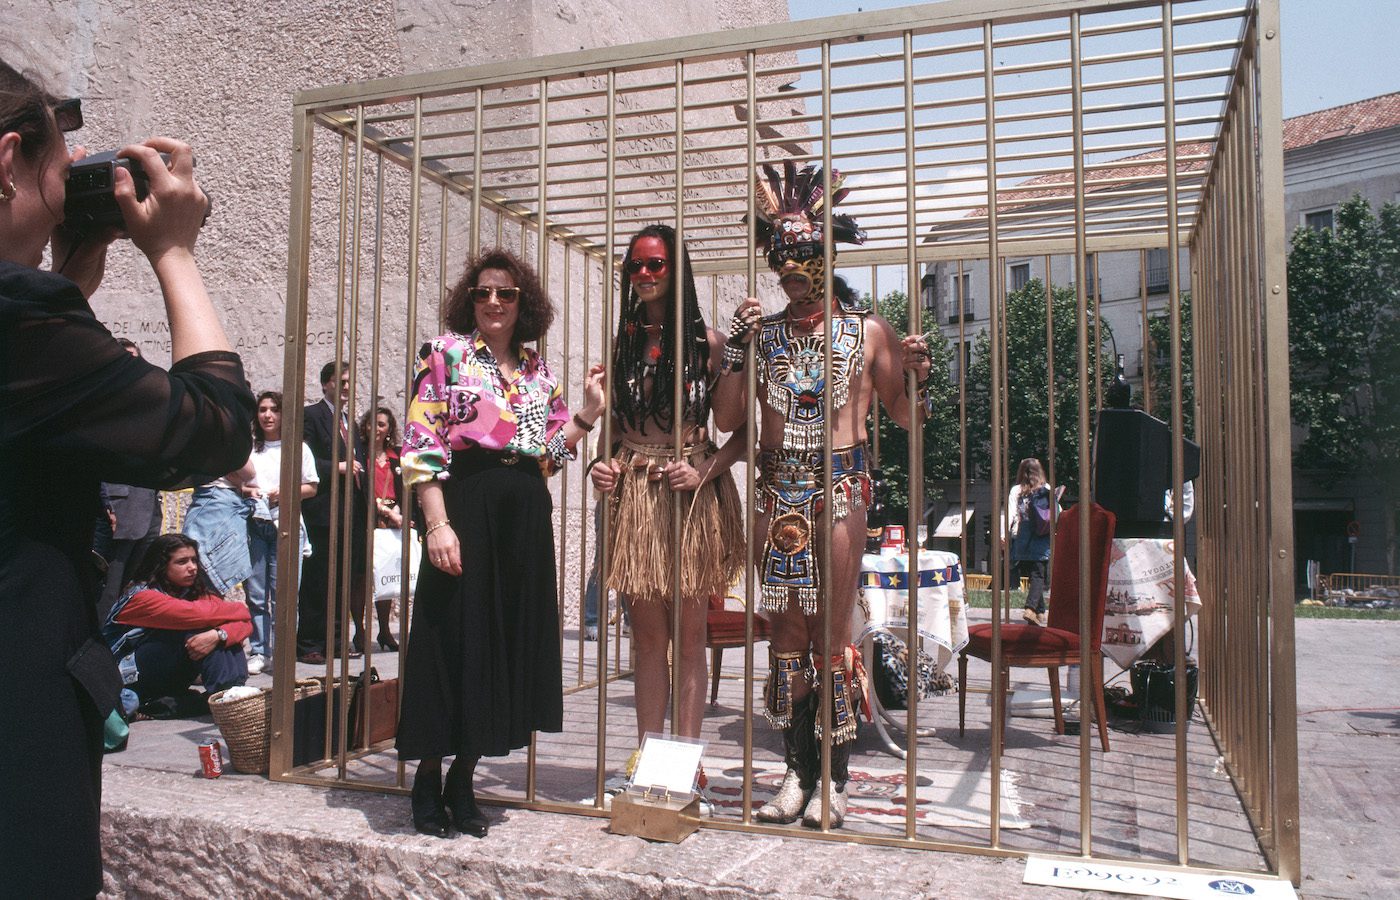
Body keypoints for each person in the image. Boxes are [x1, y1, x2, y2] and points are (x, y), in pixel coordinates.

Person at [0, 62, 254, 895]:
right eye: (58, 171)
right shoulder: (21, 319)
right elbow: (215, 429)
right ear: (9, 161)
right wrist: (173, 251)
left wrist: (63, 283)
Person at [713, 160, 932, 828]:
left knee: (833, 635)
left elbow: (906, 416)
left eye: (801, 252)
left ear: (827, 251)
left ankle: (832, 782)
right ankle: (794, 773)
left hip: (840, 487)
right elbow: (727, 419)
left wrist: (919, 376)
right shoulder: (766, 334)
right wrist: (736, 352)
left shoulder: (867, 330)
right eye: (778, 254)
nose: (788, 267)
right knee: (783, 632)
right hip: (776, 491)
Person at [396, 247, 605, 839]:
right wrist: (436, 523)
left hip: (524, 515)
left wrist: (586, 415)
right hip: (466, 505)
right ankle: (428, 778)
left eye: (505, 294)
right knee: (452, 636)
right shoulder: (445, 354)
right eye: (483, 292)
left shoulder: (539, 373)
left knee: (504, 640)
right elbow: (421, 443)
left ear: (524, 304)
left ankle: (465, 779)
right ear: (470, 299)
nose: (492, 302)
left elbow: (549, 456)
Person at [588, 224, 745, 775]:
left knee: (690, 633)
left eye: (656, 264)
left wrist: (706, 468)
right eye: (637, 266)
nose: (646, 274)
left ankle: (686, 759)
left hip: (691, 499)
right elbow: (611, 432)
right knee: (648, 635)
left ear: (677, 271)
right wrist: (598, 466)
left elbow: (736, 429)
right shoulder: (624, 343)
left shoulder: (713, 345)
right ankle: (651, 755)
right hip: (635, 496)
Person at [103, 535, 251, 718]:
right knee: (200, 627)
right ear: (162, 565)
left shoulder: (190, 592)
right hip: (126, 679)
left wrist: (219, 635)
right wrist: (236, 612)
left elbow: (245, 623)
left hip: (164, 674)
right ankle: (227, 699)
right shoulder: (142, 597)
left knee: (215, 632)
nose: (192, 567)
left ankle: (232, 693)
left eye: (194, 560)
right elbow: (203, 615)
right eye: (182, 562)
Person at [297, 361, 369, 664]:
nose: (347, 388)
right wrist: (336, 468)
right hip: (322, 512)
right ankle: (310, 643)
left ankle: (338, 640)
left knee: (343, 578)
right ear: (326, 383)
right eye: (342, 382)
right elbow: (301, 459)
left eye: (351, 382)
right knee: (317, 579)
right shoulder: (311, 415)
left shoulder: (347, 421)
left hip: (349, 513)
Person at [243, 390, 319, 674]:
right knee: (256, 593)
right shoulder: (249, 449)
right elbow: (237, 485)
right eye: (262, 409)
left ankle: (283, 652)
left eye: (274, 409)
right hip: (255, 524)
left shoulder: (297, 449)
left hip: (287, 524)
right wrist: (252, 491)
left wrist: (285, 492)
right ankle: (259, 650)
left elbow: (311, 487)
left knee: (285, 593)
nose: (267, 415)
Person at [96, 339, 165, 621]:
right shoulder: (101, 404)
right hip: (118, 509)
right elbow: (94, 460)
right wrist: (104, 505)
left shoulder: (149, 403)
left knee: (136, 584)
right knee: (108, 587)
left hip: (148, 507)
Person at [360, 404, 403, 650]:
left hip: (392, 520)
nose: (375, 428)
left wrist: (398, 511)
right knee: (361, 576)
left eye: (381, 424)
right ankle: (361, 631)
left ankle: (385, 630)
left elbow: (407, 486)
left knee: (386, 575)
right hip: (367, 518)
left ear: (388, 429)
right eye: (371, 423)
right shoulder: (359, 454)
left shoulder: (397, 455)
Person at [1004, 458, 1058, 627]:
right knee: (1039, 573)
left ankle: (1039, 612)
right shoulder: (1046, 489)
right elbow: (1057, 512)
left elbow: (1011, 513)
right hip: (1041, 535)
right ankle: (1030, 608)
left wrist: (1004, 534)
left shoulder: (1017, 490)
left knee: (1031, 572)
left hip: (1023, 533)